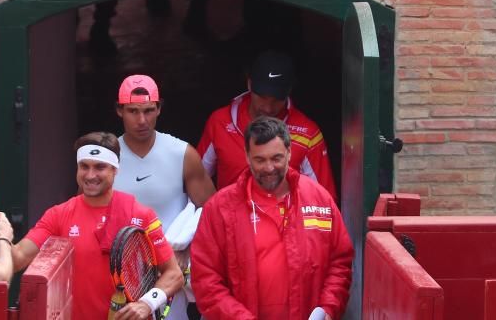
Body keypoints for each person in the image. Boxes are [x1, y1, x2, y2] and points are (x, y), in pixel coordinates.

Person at [1, 132, 184, 320]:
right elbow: (17, 258)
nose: (90, 175)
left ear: (115, 169)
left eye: (99, 167)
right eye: (84, 166)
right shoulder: (58, 214)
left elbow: (174, 274)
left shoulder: (141, 215)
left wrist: (147, 303)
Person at [191, 117, 353, 320]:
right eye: (260, 160)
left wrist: (328, 308)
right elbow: (205, 279)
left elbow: (340, 261)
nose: (269, 168)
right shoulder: (220, 208)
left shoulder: (318, 199)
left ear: (289, 153)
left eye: (276, 158)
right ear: (248, 157)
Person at [113, 74, 216, 320]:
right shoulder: (105, 159)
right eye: (133, 111)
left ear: (159, 109)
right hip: (116, 279)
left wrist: (186, 249)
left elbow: (215, 213)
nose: (141, 120)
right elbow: (85, 212)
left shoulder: (182, 154)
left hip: (168, 277)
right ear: (119, 111)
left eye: (149, 110)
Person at [197, 50, 337, 199]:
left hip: (284, 220)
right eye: (262, 97)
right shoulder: (220, 122)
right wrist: (215, 213)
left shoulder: (308, 134)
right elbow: (195, 178)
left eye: (277, 99)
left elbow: (324, 201)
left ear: (289, 91)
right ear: (249, 84)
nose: (268, 108)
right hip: (230, 219)